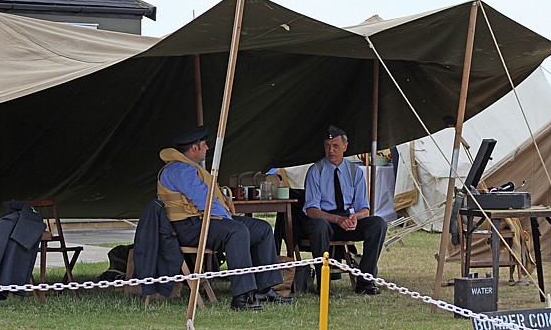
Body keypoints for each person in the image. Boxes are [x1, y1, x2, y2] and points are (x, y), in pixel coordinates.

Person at [157, 125, 293, 311]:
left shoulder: (190, 167)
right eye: (204, 144)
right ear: (194, 148)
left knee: (261, 229)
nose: (207, 148)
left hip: (204, 221)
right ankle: (241, 297)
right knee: (236, 231)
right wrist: (229, 220)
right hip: (187, 227)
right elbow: (204, 201)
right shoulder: (181, 170)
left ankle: (264, 288)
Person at [303, 125, 388, 295]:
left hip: (348, 220)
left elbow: (364, 207)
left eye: (335, 146)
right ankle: (323, 283)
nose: (331, 150)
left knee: (378, 223)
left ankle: (365, 280)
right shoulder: (316, 171)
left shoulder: (354, 171)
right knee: (319, 225)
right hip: (326, 221)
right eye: (327, 146)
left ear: (345, 147)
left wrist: (356, 217)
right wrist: (336, 219)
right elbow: (311, 209)